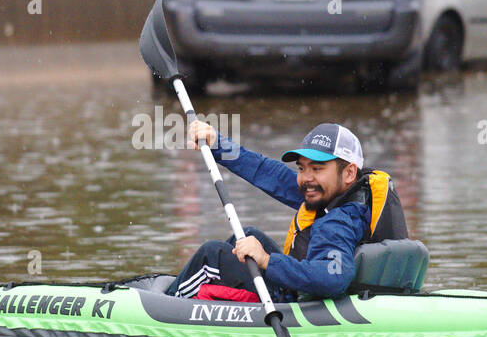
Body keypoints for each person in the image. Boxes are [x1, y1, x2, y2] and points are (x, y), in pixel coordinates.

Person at [168, 121, 408, 302]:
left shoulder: (338, 222)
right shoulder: (335, 193)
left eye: (317, 168)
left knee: (212, 255)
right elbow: (267, 173)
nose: (306, 178)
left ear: (349, 173)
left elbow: (333, 278)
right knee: (247, 235)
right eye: (302, 168)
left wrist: (266, 260)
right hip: (303, 289)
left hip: (298, 303)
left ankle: (166, 306)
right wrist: (218, 144)